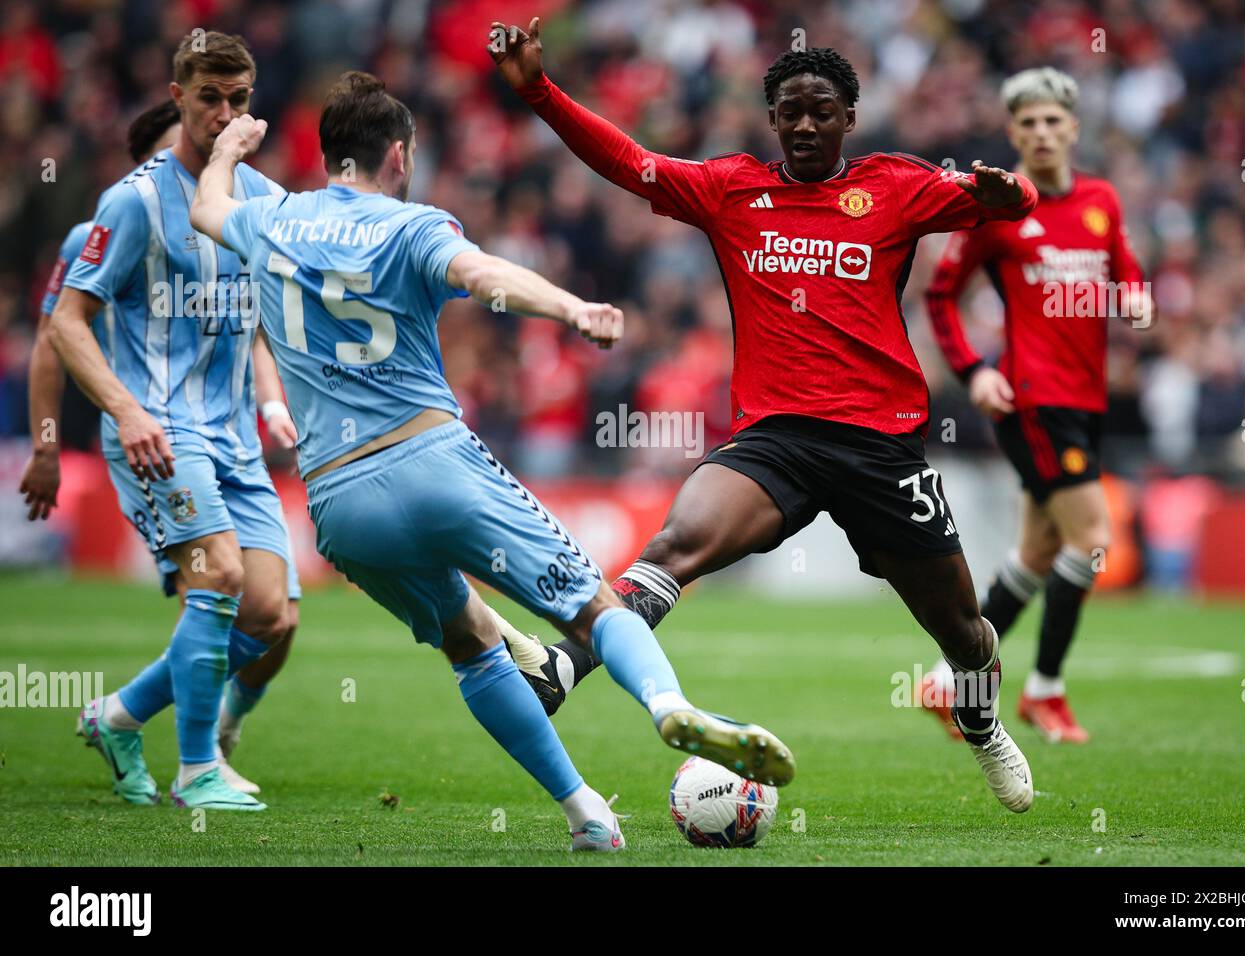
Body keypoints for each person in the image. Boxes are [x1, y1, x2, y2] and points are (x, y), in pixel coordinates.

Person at [188, 71, 796, 850]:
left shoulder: (270, 219)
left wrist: (229, 149)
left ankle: (585, 814)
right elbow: (484, 276)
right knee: (593, 609)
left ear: (327, 152)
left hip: (339, 502)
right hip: (431, 460)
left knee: (471, 646)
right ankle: (667, 704)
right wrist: (571, 308)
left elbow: (208, 206)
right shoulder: (411, 225)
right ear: (399, 155)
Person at [490, 18, 1037, 812]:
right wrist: (538, 91)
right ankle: (563, 667)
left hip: (880, 447)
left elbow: (1010, 204)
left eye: (822, 111)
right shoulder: (732, 189)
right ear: (772, 117)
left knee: (963, 634)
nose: (806, 124)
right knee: (675, 547)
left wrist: (1009, 194)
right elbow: (631, 163)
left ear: (850, 118)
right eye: (791, 111)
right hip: (774, 441)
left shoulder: (895, 186)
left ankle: (980, 722)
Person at [50, 33, 299, 811]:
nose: (224, 114)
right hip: (156, 429)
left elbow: (279, 318)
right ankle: (197, 769)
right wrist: (122, 411)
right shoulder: (131, 201)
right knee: (217, 578)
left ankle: (118, 715)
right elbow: (66, 321)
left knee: (269, 614)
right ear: (179, 95)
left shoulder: (260, 201)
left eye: (239, 101)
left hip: (232, 437)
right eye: (209, 98)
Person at [922, 67, 1148, 744]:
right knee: (1094, 538)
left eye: (1054, 121)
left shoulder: (1101, 199)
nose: (1043, 133)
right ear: (1013, 132)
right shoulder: (998, 208)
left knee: (1035, 553)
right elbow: (940, 295)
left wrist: (1135, 295)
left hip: (1086, 397)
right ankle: (1045, 689)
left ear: (1073, 129)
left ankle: (942, 680)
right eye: (1029, 123)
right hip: (1032, 399)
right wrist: (974, 371)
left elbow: (1123, 262)